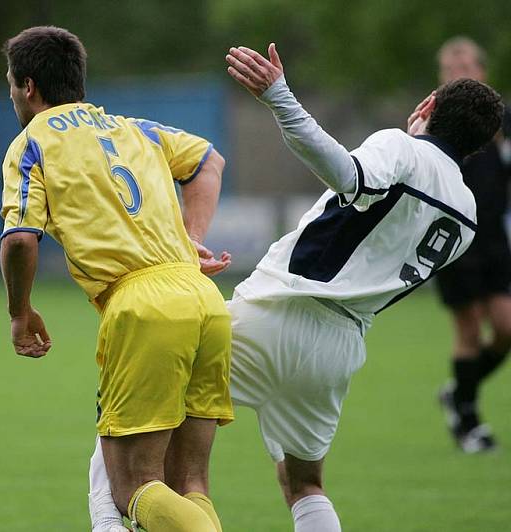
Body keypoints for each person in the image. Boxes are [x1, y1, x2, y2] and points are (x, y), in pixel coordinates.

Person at [89, 43, 504, 532]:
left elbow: (348, 175)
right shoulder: (467, 214)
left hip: (275, 312)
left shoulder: (401, 148)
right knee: (304, 484)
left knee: (128, 426)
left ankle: (108, 524)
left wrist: (280, 97)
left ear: (427, 106)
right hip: (338, 349)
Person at [0, 26, 234, 532]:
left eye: (11, 84)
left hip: (141, 306)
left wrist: (20, 313)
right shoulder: (134, 128)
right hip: (204, 298)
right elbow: (208, 161)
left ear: (29, 87)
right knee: (189, 480)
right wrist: (192, 237)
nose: (12, 95)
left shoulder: (31, 143)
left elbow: (19, 239)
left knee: (131, 488)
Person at [433, 37, 511, 453]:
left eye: (465, 63)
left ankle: (458, 393)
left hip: (495, 240)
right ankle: (469, 422)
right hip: (452, 238)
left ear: (482, 71)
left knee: (504, 328)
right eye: (450, 66)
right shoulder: (435, 122)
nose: (458, 69)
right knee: (468, 327)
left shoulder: (503, 122)